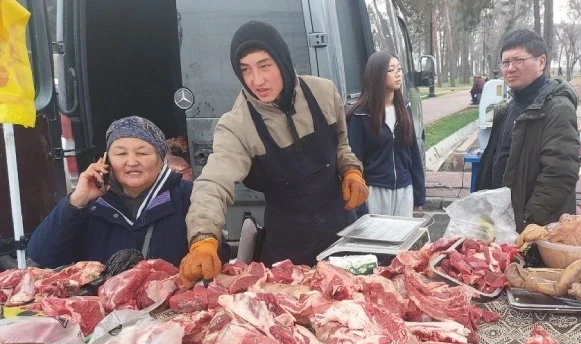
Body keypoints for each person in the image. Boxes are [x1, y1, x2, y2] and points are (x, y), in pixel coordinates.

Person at [179, 21, 368, 285]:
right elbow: (213, 183)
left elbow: (342, 146)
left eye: (264, 65)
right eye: (246, 70)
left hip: (343, 236)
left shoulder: (323, 93)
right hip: (288, 255)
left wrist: (351, 171)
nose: (256, 80)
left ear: (282, 60)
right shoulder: (237, 125)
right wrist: (203, 238)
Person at [27, 116, 194, 268]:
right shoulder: (91, 204)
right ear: (107, 160)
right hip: (104, 292)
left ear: (161, 160)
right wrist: (76, 201)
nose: (132, 162)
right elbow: (42, 256)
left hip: (168, 291)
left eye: (142, 153)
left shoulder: (188, 196)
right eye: (121, 153)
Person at [475, 29, 580, 232]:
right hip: (505, 224)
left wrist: (526, 223)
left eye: (518, 60)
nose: (510, 68)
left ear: (541, 62)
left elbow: (559, 175)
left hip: (535, 230)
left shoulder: (557, 108)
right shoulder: (510, 107)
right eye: (505, 62)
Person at [347, 51, 425, 218]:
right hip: (374, 192)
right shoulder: (360, 116)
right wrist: (359, 204)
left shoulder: (405, 109)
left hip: (404, 190)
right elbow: (355, 161)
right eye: (391, 70)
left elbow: (413, 153)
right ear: (377, 75)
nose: (398, 74)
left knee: (403, 235)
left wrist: (419, 193)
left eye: (399, 69)